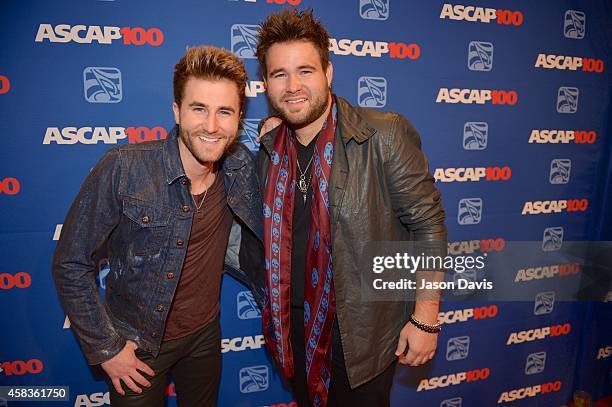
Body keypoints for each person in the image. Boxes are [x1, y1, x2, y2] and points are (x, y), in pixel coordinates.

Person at [239, 9, 448, 407]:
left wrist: (425, 317)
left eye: (305, 70)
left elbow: (428, 226)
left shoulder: (382, 134)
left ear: (328, 72)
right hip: (292, 328)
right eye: (279, 74)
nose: (293, 85)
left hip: (361, 332)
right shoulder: (269, 149)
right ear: (266, 83)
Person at [52, 45, 261, 407]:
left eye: (224, 112)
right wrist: (107, 348)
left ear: (239, 118)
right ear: (177, 111)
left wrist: (278, 129)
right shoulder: (124, 168)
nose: (212, 126)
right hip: (136, 344)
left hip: (205, 337)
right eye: (199, 109)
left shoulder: (240, 167)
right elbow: (70, 262)